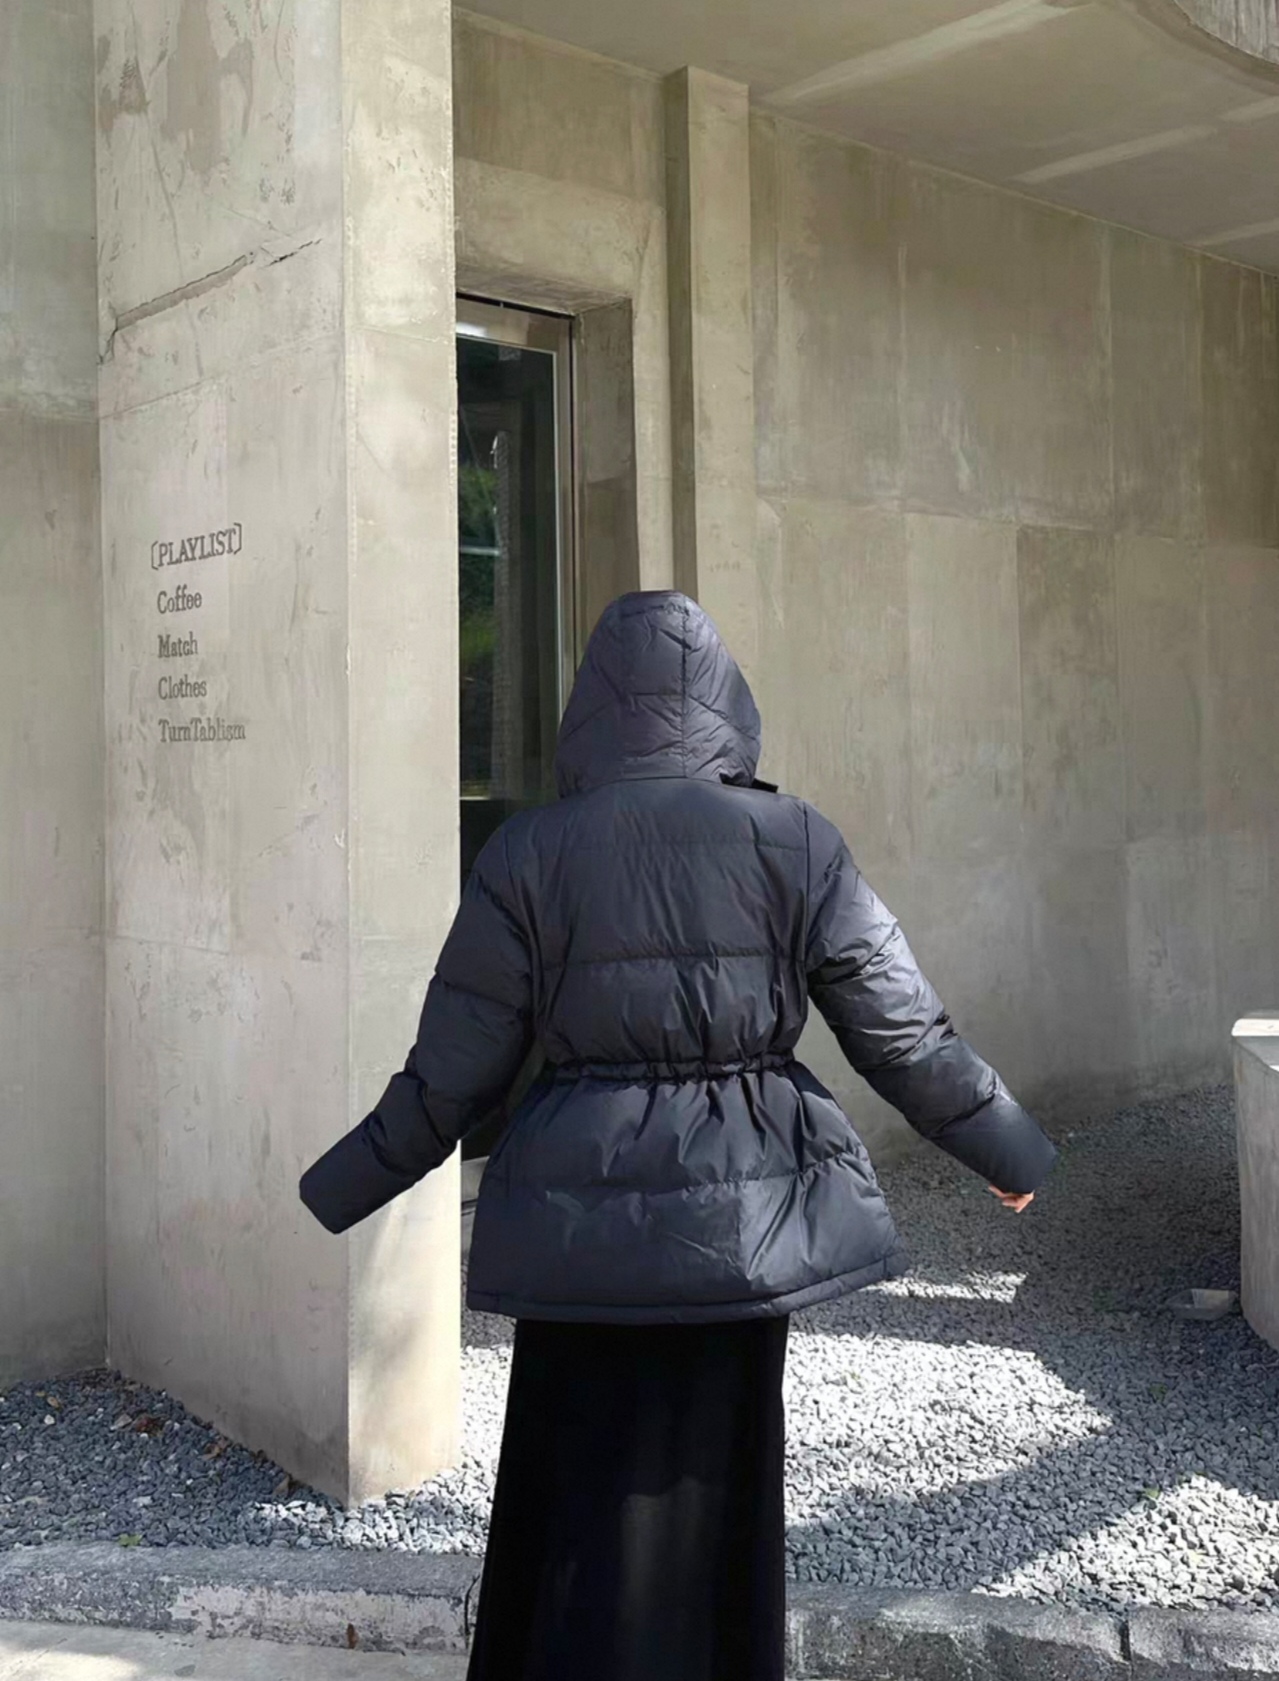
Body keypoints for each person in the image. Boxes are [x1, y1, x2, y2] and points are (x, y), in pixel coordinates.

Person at [299, 589, 1057, 1681]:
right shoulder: (795, 839)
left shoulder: (530, 852)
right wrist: (1006, 1150)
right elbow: (901, 1030)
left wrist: (336, 1186)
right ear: (725, 704)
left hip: (576, 1223)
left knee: (572, 1479)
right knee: (722, 1478)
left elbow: (451, 1073)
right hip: (739, 1228)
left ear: (591, 710)